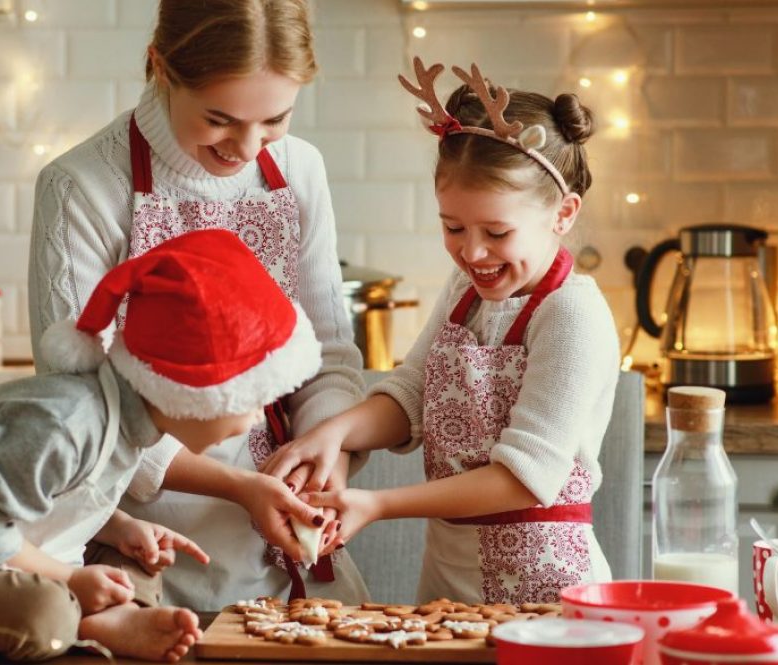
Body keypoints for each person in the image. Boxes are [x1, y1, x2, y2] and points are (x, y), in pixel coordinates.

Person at [27, 0, 368, 609]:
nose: (246, 145)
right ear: (160, 67)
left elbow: (330, 354)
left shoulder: (300, 170)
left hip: (290, 541)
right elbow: (80, 406)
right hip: (141, 544)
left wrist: (323, 459)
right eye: (220, 119)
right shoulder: (82, 186)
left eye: (275, 120)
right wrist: (240, 488)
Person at [0, 230, 327, 662]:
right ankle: (88, 621)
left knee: (135, 564)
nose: (259, 415)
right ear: (195, 395)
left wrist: (118, 528)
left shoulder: (132, 421)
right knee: (44, 614)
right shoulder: (66, 424)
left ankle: (104, 617)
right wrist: (69, 580)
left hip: (3, 555)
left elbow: (57, 498)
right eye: (252, 398)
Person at [263, 58, 621, 605]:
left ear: (564, 214)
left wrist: (377, 503)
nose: (472, 252)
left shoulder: (572, 316)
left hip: (547, 591)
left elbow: (523, 479)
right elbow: (412, 394)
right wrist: (330, 434)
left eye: (497, 232)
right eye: (453, 227)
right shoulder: (465, 292)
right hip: (449, 583)